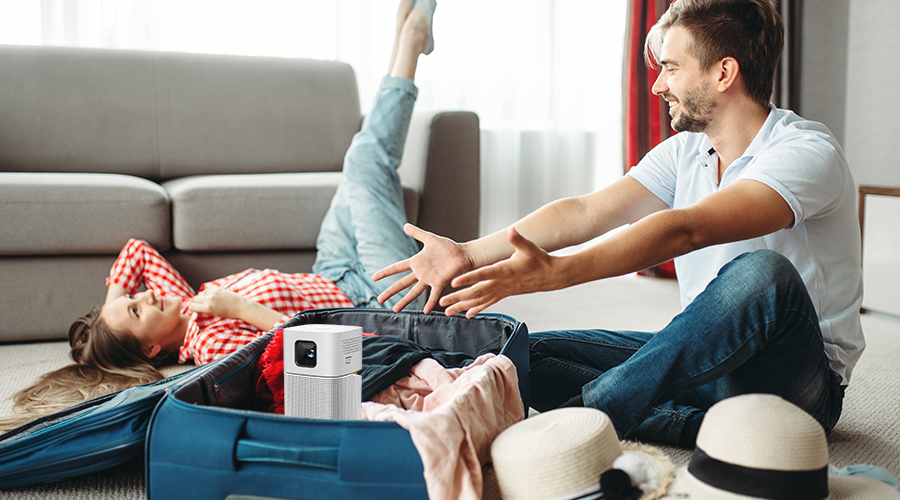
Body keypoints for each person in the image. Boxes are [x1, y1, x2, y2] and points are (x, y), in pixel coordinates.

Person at [375, 0, 861, 448]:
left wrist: (558, 273)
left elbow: (686, 229)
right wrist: (469, 252)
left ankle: (587, 418)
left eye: (671, 68)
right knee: (516, 354)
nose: (658, 85)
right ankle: (712, 430)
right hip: (708, 359)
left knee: (762, 275)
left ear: (723, 72)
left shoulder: (804, 153)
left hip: (796, 384)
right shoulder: (689, 150)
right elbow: (587, 211)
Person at [0, 0, 437, 432]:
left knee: (356, 160)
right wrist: (236, 306)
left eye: (132, 299)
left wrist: (115, 305)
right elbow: (310, 347)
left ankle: (401, 55)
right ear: (153, 350)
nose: (145, 297)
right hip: (375, 299)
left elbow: (137, 252)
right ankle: (409, 45)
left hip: (332, 269)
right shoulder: (209, 345)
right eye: (137, 311)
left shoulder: (182, 301)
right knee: (365, 161)